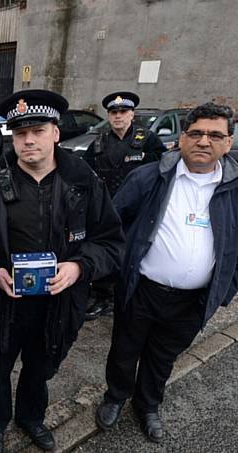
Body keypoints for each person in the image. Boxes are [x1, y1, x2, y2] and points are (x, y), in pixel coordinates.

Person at [0, 89, 124, 452]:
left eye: (37, 130)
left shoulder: (83, 182)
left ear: (55, 132)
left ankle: (31, 418)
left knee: (40, 370)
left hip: (58, 303)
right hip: (3, 302)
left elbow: (111, 243)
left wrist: (79, 267)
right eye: (20, 133)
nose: (28, 140)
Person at [96, 102, 238, 443]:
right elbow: (113, 225)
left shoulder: (235, 190)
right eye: (196, 133)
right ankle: (115, 396)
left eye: (215, 135)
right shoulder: (149, 176)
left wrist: (226, 288)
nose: (204, 141)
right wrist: (117, 273)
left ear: (229, 142)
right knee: (124, 349)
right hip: (142, 289)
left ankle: (147, 405)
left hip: (192, 301)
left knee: (162, 357)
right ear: (182, 138)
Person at [82, 91, 166, 320]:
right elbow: (85, 173)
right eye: (113, 112)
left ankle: (125, 295)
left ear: (132, 114)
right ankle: (101, 296)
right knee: (104, 249)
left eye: (123, 112)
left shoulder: (147, 140)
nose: (118, 116)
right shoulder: (99, 142)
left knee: (131, 253)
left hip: (137, 211)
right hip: (107, 209)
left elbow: (163, 172)